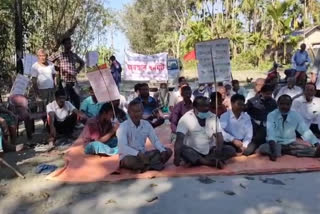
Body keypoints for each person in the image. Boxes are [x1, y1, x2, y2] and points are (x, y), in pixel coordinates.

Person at [173, 96, 236, 169]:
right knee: (182, 150)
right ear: (194, 107)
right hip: (193, 150)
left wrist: (218, 150)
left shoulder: (213, 117)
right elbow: (179, 140)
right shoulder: (185, 119)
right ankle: (209, 162)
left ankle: (199, 161)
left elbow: (219, 136)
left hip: (210, 150)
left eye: (207, 106)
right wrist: (176, 157)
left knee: (230, 149)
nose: (206, 109)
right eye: (202, 107)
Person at [258, 95, 320, 161]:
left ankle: (284, 151)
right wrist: (273, 150)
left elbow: (304, 130)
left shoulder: (295, 115)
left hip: (290, 144)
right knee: (262, 148)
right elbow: (271, 133)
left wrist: (316, 143)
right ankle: (287, 151)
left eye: (287, 104)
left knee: (308, 148)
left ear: (291, 104)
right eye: (282, 104)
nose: (284, 106)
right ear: (277, 103)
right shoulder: (271, 115)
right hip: (275, 143)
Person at [117, 100, 172, 172]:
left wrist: (162, 150)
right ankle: (152, 165)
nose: (136, 114)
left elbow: (155, 141)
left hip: (144, 154)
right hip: (128, 156)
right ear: (128, 112)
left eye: (138, 111)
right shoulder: (123, 126)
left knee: (168, 151)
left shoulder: (146, 124)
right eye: (133, 111)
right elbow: (122, 147)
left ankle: (145, 166)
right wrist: (138, 154)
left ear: (142, 112)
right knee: (131, 161)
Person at [49, 37, 85, 109]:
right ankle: (66, 117)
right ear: (64, 45)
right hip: (64, 82)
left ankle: (76, 116)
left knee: (77, 100)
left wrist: (77, 70)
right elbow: (49, 60)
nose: (69, 45)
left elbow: (82, 62)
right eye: (68, 43)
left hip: (74, 81)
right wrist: (56, 68)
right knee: (65, 100)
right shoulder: (60, 54)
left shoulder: (74, 55)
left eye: (70, 43)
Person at [245, 84, 277, 156]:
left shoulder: (273, 102)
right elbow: (244, 112)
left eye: (270, 94)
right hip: (253, 126)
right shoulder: (252, 101)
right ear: (261, 93)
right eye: (267, 94)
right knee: (251, 148)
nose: (269, 95)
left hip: (268, 127)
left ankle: (272, 151)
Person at [31, 49, 56, 113]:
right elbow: (34, 81)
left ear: (47, 56)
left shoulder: (51, 64)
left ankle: (50, 122)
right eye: (40, 56)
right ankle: (45, 122)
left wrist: (55, 87)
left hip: (51, 90)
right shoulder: (35, 66)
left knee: (52, 109)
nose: (42, 57)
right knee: (43, 111)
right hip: (41, 91)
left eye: (44, 56)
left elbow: (53, 76)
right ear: (38, 56)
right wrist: (37, 94)